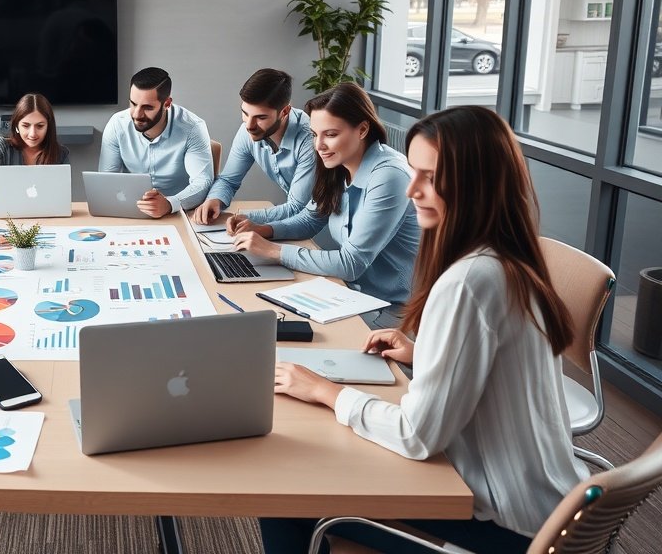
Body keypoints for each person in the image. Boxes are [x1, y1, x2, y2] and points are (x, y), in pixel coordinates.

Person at [260, 106, 588, 552]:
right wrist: (427, 352)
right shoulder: (509, 261)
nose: (412, 190)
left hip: (505, 528)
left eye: (430, 177)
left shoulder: (469, 281)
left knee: (282, 489)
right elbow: (498, 364)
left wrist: (324, 391)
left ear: (477, 185)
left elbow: (418, 436)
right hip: (552, 506)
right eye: (414, 172)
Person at [231, 83, 419, 309]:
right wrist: (266, 230)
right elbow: (310, 219)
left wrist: (274, 251)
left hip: (392, 308)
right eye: (314, 134)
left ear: (362, 130)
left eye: (330, 134)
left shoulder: (389, 176)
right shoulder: (339, 165)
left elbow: (351, 264)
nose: (319, 146)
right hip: (349, 293)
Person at [191, 68, 315, 230]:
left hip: (331, 219)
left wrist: (243, 217)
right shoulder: (248, 131)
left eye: (261, 117)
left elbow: (297, 207)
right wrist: (215, 200)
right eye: (245, 113)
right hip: (302, 218)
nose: (249, 125)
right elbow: (228, 180)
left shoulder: (311, 138)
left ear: (284, 111)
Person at [98, 67, 213, 218]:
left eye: (147, 107)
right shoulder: (117, 124)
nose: (137, 114)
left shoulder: (193, 128)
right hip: (131, 212)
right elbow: (106, 182)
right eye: (133, 104)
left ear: (167, 104)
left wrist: (169, 204)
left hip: (179, 213)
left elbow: (203, 183)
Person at [0, 92, 71, 199]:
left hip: (46, 213)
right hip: (9, 212)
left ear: (48, 127)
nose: (32, 134)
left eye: (40, 126)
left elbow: (63, 194)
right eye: (26, 126)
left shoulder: (61, 153)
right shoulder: (0, 146)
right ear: (17, 125)